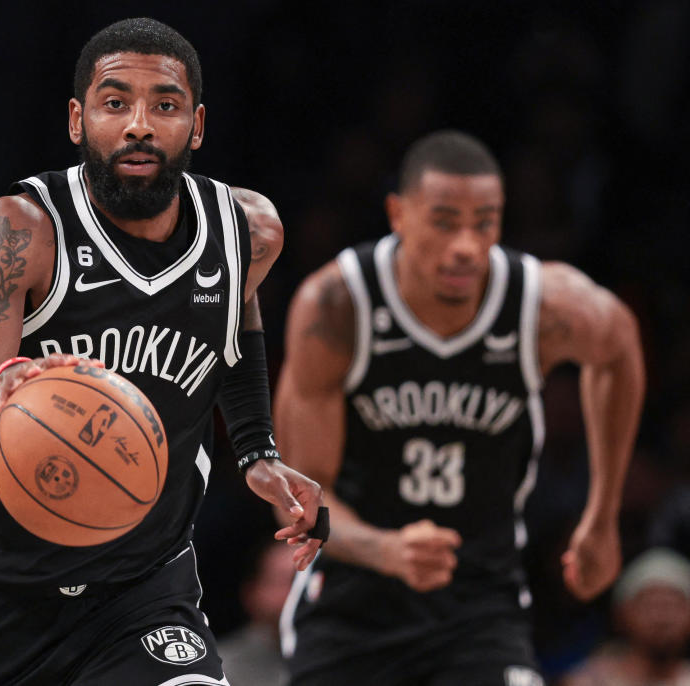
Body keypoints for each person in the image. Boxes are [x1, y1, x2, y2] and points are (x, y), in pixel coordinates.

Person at [0, 17, 325, 686]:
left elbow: (237, 327)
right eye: (115, 102)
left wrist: (257, 450)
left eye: (165, 105)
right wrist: (16, 383)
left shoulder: (248, 231)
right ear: (77, 119)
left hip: (141, 591)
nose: (140, 126)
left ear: (198, 124)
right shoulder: (21, 230)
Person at [275, 130, 645, 686]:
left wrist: (602, 514)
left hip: (481, 603)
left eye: (486, 223)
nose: (468, 246)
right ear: (398, 214)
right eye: (446, 222)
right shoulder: (336, 307)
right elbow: (296, 500)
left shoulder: (540, 303)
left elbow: (618, 348)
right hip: (350, 605)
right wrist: (389, 551)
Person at [560, 548, 690, 686]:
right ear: (622, 613)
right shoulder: (589, 681)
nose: (662, 617)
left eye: (672, 606)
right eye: (650, 605)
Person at [218, 541, 296, 686]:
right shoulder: (216, 671)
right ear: (251, 593)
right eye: (286, 581)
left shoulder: (342, 657)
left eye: (304, 583)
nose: (297, 594)